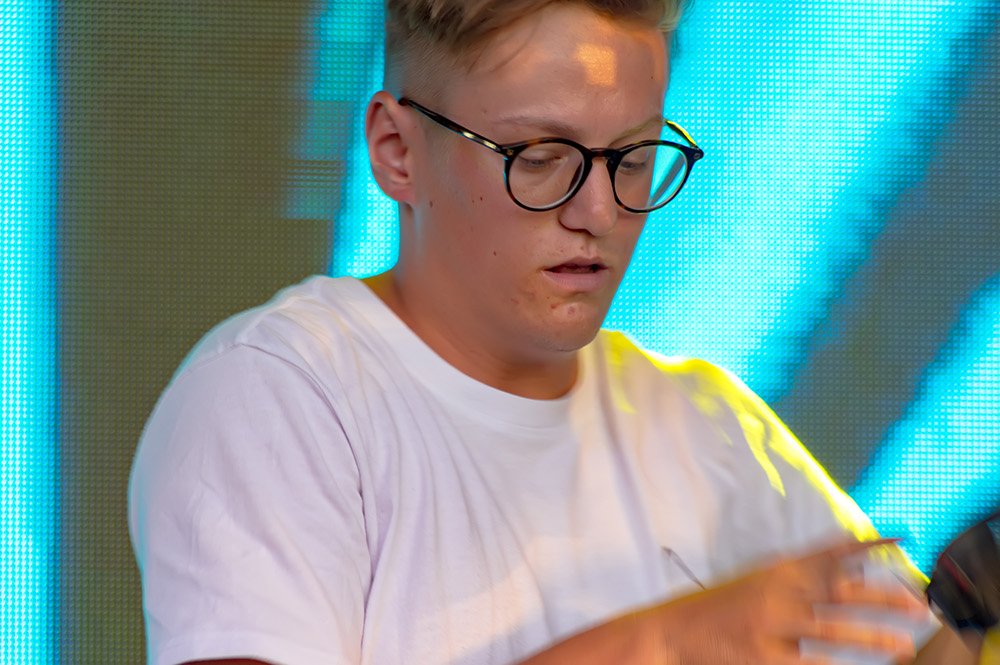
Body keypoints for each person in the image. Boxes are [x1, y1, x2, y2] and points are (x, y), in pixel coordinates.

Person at [128, 1, 988, 663]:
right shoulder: (278, 393)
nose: (600, 212)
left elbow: (919, 648)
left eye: (635, 158)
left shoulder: (709, 424)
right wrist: (668, 642)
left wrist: (972, 612)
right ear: (396, 151)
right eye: (540, 157)